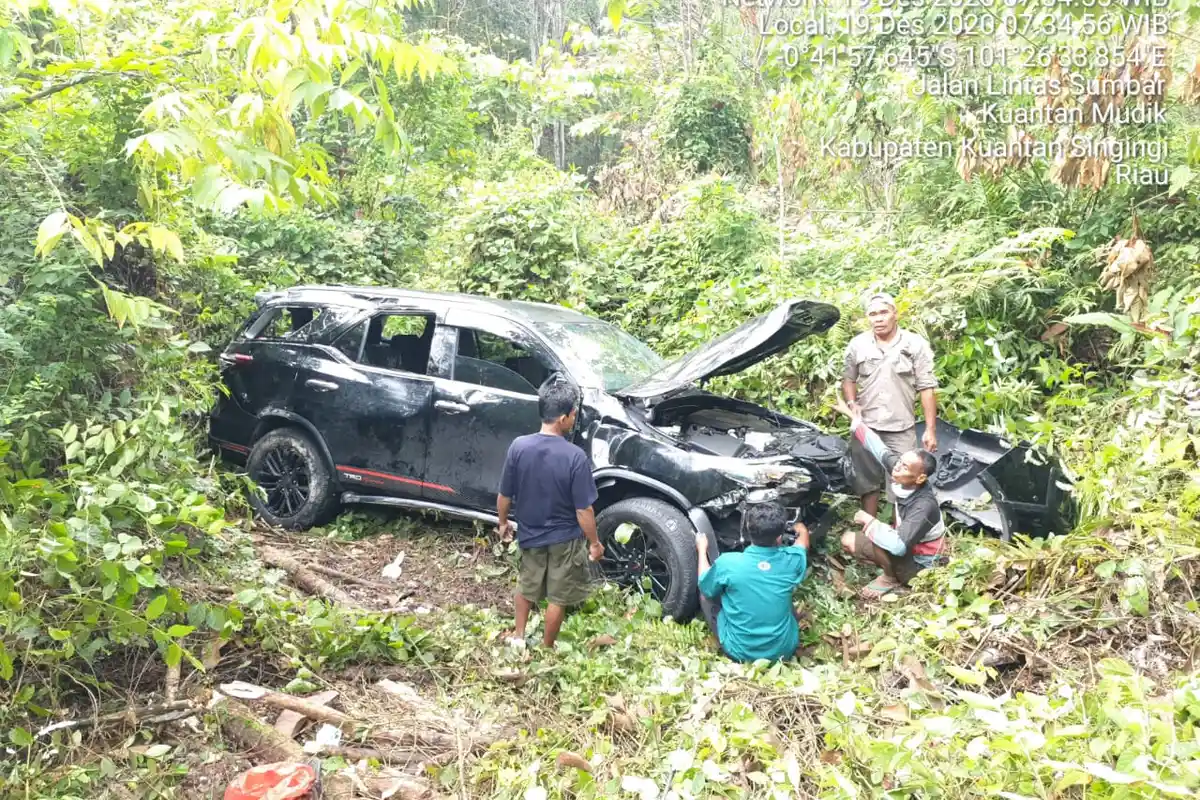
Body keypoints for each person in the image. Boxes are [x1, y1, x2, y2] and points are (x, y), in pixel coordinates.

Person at [496, 377, 604, 649]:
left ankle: (518, 637)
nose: (574, 418)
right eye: (573, 414)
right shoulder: (574, 456)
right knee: (558, 596)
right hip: (564, 540)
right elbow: (583, 509)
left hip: (530, 534)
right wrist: (594, 542)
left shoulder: (519, 446)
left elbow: (504, 495)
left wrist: (502, 523)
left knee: (526, 585)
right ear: (564, 418)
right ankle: (546, 647)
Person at [833, 396, 946, 599]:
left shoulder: (924, 505)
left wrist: (871, 522)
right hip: (907, 549)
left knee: (880, 538)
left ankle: (890, 577)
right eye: (900, 461)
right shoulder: (902, 474)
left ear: (920, 477)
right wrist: (852, 415)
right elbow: (877, 447)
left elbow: (898, 545)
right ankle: (888, 565)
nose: (897, 467)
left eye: (904, 466)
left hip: (922, 565)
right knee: (848, 540)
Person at [841, 292, 940, 519]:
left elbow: (927, 388)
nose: (878, 319)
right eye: (872, 314)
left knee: (904, 484)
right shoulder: (858, 345)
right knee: (866, 481)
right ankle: (869, 527)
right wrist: (851, 402)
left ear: (895, 314)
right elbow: (848, 379)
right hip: (866, 426)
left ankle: (900, 533)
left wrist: (931, 429)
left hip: (901, 427)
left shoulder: (915, 344)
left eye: (883, 312)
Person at [695, 501, 810, 663]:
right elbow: (803, 545)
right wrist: (801, 529)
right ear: (779, 536)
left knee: (706, 590)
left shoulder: (728, 563)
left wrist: (702, 549)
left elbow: (705, 586)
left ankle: (726, 636)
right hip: (783, 650)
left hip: (739, 650)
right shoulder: (792, 560)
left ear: (748, 529)